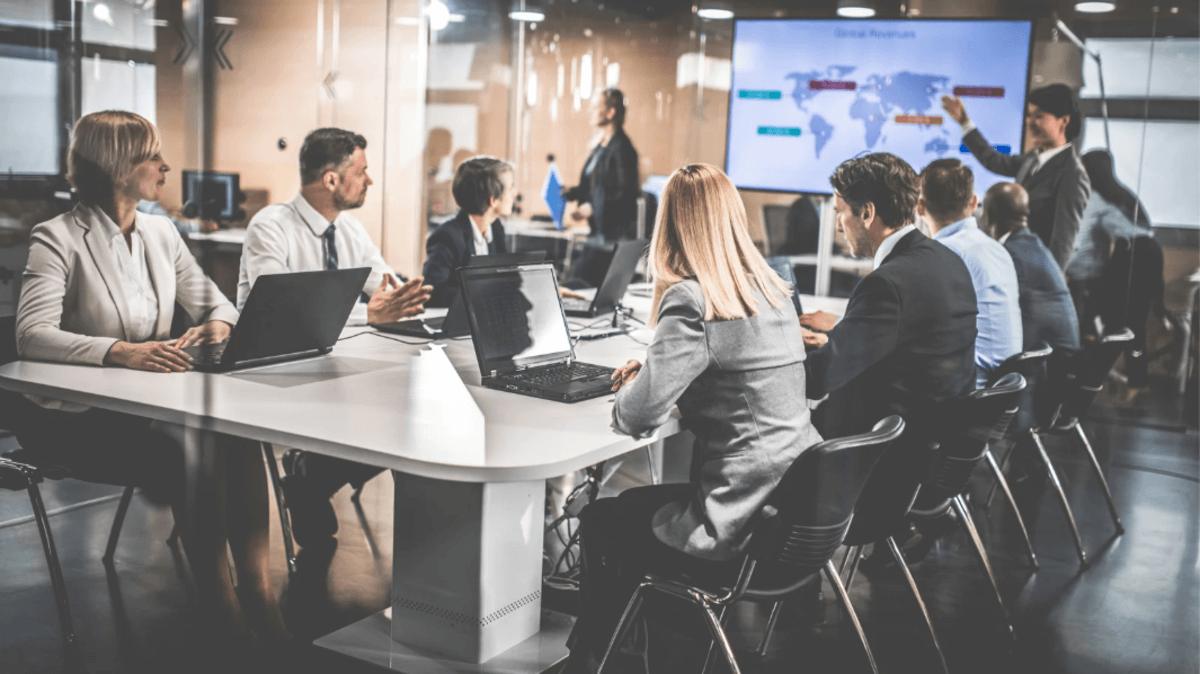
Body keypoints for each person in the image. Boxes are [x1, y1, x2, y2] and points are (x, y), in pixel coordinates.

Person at [10, 110, 289, 642]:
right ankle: (220, 604)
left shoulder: (161, 232)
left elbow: (220, 306)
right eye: (152, 156)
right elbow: (31, 335)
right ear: (118, 167)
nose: (165, 166)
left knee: (237, 431)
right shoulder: (58, 237)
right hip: (77, 420)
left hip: (150, 404)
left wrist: (215, 325)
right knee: (197, 440)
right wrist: (119, 352)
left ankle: (259, 592)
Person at [563, 164, 822, 672]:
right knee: (630, 507)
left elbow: (636, 417)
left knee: (601, 519)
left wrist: (640, 383)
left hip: (735, 523)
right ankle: (620, 647)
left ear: (671, 225)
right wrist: (661, 371)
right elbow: (737, 374)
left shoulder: (692, 299)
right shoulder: (773, 290)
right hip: (791, 512)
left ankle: (597, 658)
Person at [237, 127, 432, 548]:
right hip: (277, 372)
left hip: (334, 365)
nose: (370, 180)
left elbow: (386, 289)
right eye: (361, 172)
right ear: (331, 179)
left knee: (412, 411)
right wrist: (370, 314)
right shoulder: (270, 226)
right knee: (391, 411)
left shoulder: (349, 230)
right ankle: (314, 473)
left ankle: (314, 474)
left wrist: (406, 300)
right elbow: (281, 314)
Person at [798, 154, 977, 570]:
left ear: (867, 213)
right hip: (933, 456)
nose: (838, 225)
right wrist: (841, 335)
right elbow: (910, 345)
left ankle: (781, 580)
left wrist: (772, 348)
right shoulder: (947, 261)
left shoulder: (888, 283)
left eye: (841, 212)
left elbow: (818, 379)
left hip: (883, 473)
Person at [943, 84, 1090, 270]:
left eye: (1039, 116)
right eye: (1029, 115)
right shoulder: (1033, 158)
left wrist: (1049, 280)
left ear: (1064, 121)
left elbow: (1063, 242)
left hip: (1035, 271)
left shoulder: (1073, 174)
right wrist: (964, 121)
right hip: (1014, 263)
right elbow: (994, 161)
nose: (1030, 122)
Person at [917, 158, 1022, 386]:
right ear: (974, 202)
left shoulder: (939, 255)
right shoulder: (999, 250)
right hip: (1004, 387)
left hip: (970, 389)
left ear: (919, 207)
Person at [1072, 149, 1164, 394]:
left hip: (1135, 257)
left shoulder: (1095, 198)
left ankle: (1118, 382)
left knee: (1123, 322)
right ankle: (1135, 382)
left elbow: (1082, 241)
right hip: (1145, 253)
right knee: (1130, 322)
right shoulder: (1119, 194)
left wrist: (1067, 269)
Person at [981, 181, 1080, 359]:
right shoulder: (1032, 245)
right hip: (1060, 357)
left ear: (987, 216)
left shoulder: (1010, 255)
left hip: (1048, 364)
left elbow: (995, 315)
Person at [421, 157, 513, 307]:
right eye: (510, 188)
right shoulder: (447, 236)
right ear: (494, 200)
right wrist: (483, 296)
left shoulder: (496, 229)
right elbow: (432, 292)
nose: (514, 193)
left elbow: (504, 278)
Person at [563, 88, 641, 242]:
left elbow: (626, 196)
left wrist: (592, 208)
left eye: (595, 107)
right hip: (597, 232)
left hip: (612, 237)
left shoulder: (623, 149)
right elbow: (595, 187)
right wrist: (570, 193)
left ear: (611, 113)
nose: (590, 111)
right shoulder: (601, 146)